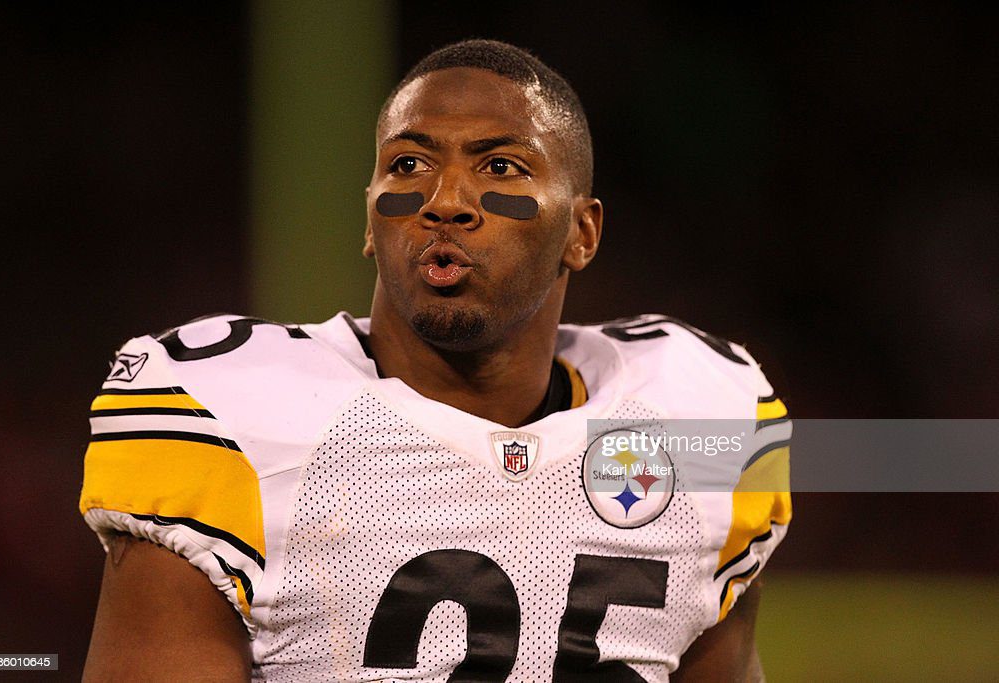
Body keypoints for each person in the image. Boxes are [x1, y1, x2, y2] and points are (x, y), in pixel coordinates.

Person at [80, 39, 791, 682]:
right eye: (409, 164)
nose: (444, 201)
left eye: (499, 165)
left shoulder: (698, 413)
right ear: (369, 219)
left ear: (582, 231)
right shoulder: (226, 413)